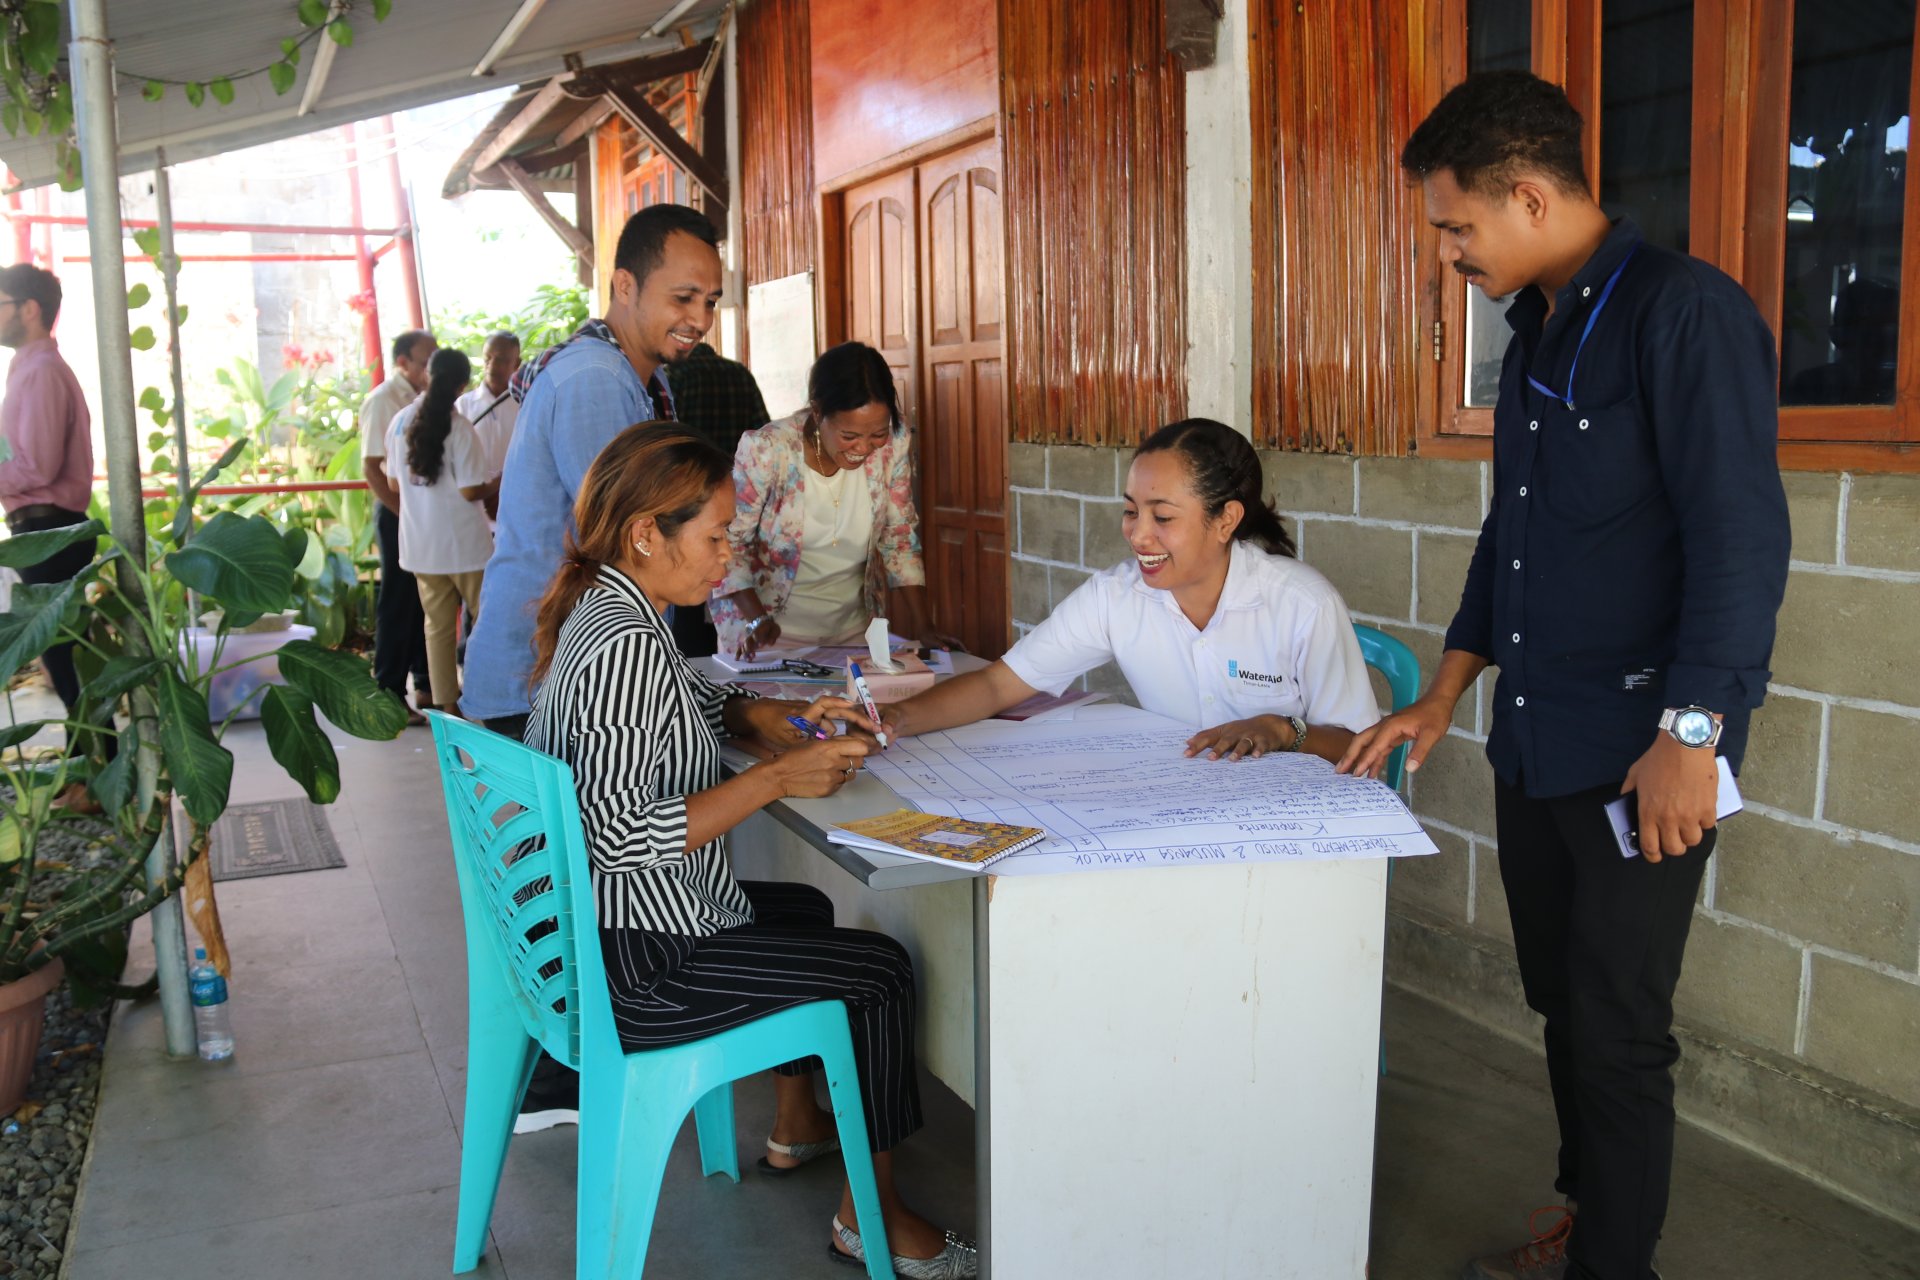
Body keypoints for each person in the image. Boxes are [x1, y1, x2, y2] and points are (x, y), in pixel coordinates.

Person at [1340, 71, 1790, 1280]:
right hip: (1540, 740)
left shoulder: (1682, 315)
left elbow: (1741, 539)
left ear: (1530, 196)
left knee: (1620, 1029)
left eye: (1455, 226)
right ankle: (1591, 1221)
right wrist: (1446, 688)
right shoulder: (1538, 327)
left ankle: (1616, 1268)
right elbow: (1513, 533)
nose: (1448, 252)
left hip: (1648, 751)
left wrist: (1693, 735)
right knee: (1566, 1005)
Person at [525, 422, 977, 1277]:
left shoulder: (613, 613)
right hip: (639, 962)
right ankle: (868, 1217)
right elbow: (619, 837)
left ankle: (799, 1122)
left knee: (805, 908)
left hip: (598, 931)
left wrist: (752, 717)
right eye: (714, 536)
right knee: (877, 973)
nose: (727, 556)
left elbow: (682, 691)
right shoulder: (622, 646)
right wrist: (776, 778)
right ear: (644, 534)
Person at [881, 418, 1378, 761]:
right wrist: (892, 720)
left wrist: (1283, 731)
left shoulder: (1301, 605)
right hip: (1180, 811)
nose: (1139, 535)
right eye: (1130, 511)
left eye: (1162, 516)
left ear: (1226, 519)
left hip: (1291, 830)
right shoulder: (1115, 598)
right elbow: (997, 685)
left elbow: (1359, 743)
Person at [462, 203, 723, 742]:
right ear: (625, 285)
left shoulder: (642, 377)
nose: (700, 319)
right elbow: (628, 540)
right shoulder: (596, 378)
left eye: (710, 301)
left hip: (578, 667)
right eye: (683, 298)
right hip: (546, 674)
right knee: (608, 828)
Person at [714, 342, 953, 659]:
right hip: (768, 636)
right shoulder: (769, 449)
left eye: (877, 433)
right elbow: (729, 542)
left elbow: (898, 538)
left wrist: (925, 627)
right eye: (849, 436)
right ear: (817, 412)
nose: (865, 448)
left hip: (854, 633)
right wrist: (756, 616)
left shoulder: (893, 444)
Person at [0, 263, 98, 796]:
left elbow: (35, 466)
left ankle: (94, 778)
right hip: (44, 530)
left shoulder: (39, 371)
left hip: (51, 529)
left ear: (28, 309)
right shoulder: (29, 367)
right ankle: (88, 773)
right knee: (61, 656)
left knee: (64, 656)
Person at [384, 348, 491, 716]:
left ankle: (448, 705)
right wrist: (498, 482)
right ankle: (493, 697)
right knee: (489, 621)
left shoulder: (399, 421)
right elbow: (470, 490)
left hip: (422, 546)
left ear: (428, 375)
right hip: (466, 547)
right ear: (462, 384)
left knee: (438, 629)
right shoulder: (460, 428)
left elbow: (394, 485)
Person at [663, 340, 770, 658]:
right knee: (721, 565)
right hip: (734, 492)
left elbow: (665, 439)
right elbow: (762, 427)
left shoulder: (675, 378)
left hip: (687, 496)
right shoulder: (740, 375)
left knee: (687, 591)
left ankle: (692, 663)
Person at [360, 328, 438, 724]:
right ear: (403, 362)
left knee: (425, 599)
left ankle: (426, 685)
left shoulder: (429, 400)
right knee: (397, 602)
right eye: (426, 361)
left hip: (422, 514)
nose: (432, 368)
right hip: (396, 514)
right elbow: (372, 469)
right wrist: (402, 512)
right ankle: (389, 692)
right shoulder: (383, 401)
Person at [454, 330, 521, 518]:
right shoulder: (463, 405)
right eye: (487, 358)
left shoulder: (525, 405)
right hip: (472, 506)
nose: (492, 365)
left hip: (514, 501)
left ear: (516, 363)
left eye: (501, 360)